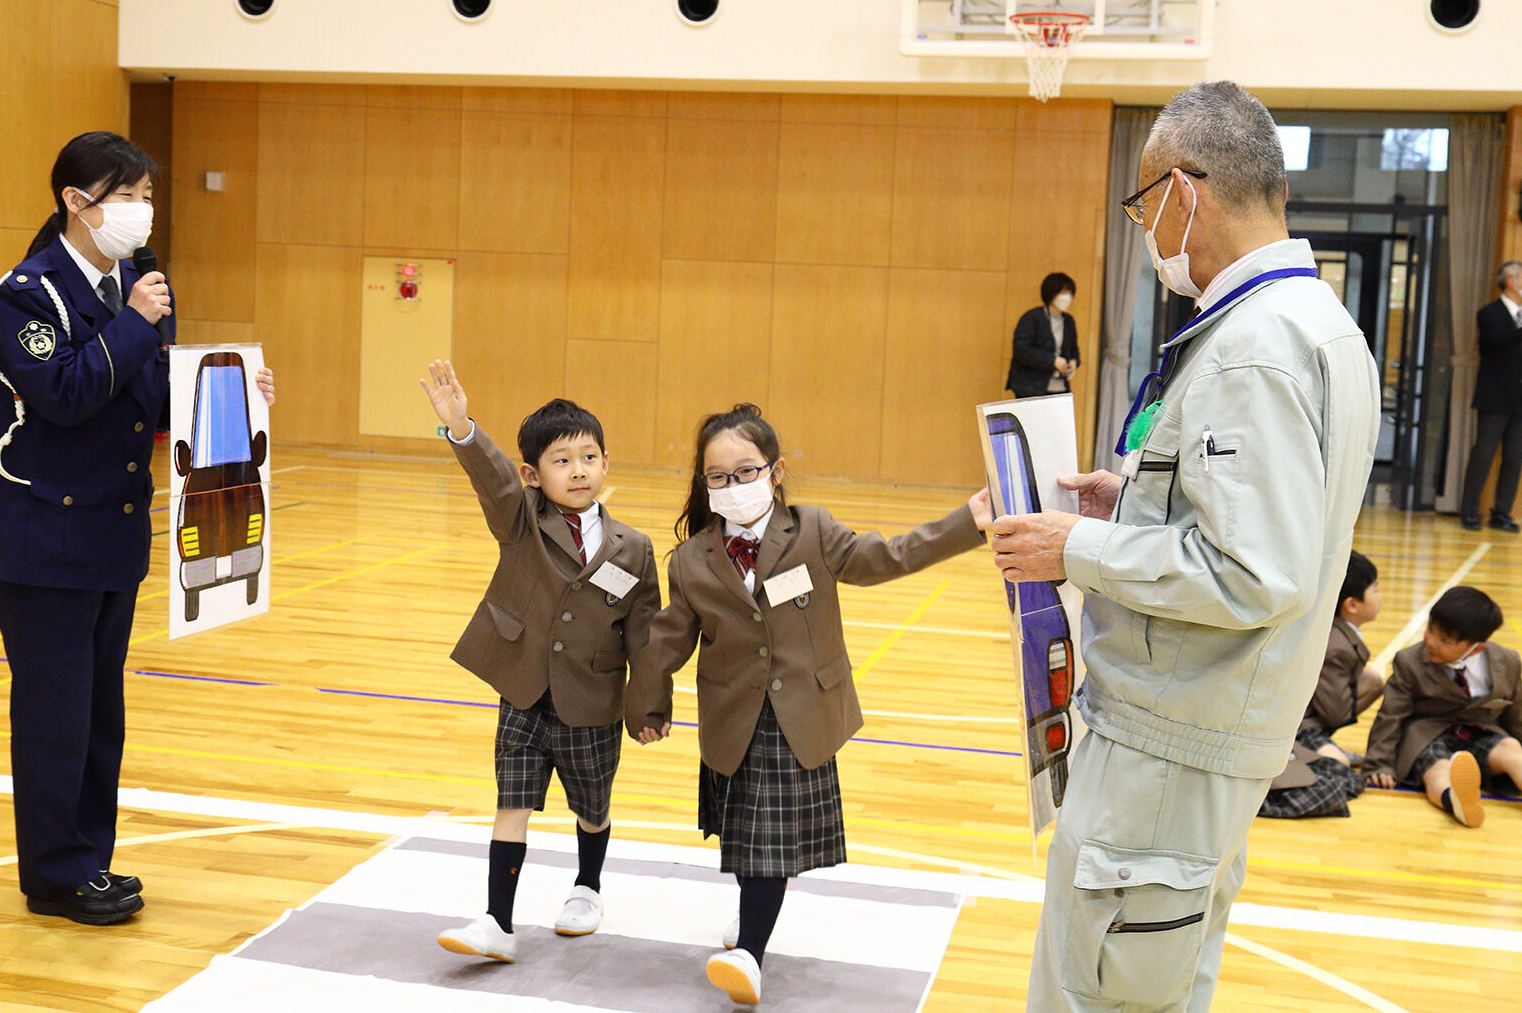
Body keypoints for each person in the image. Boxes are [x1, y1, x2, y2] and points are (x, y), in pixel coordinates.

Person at [989, 81, 1379, 1011]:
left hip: (1171, 745)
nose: (1146, 232)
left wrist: (1076, 546)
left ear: (1183, 194)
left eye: (1143, 205)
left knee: (1097, 996)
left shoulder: (1256, 346)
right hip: (1212, 735)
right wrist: (1129, 499)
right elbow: (1269, 515)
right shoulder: (1318, 325)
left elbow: (1250, 572)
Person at [0, 131, 276, 925]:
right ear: (77, 202)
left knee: (100, 714)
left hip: (110, 534)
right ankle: (54, 875)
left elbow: (153, 400)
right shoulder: (27, 294)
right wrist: (138, 322)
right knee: (54, 714)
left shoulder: (133, 283)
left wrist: (236, 391)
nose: (142, 211)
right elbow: (68, 394)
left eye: (146, 195)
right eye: (127, 195)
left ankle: (88, 861)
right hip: (41, 535)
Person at [624, 404, 993, 1006]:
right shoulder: (691, 560)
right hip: (731, 718)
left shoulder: (813, 529)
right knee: (748, 835)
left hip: (801, 714)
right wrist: (649, 705)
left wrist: (967, 522)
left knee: (766, 838)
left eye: (746, 471)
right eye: (718, 477)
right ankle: (752, 921)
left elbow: (887, 557)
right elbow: (670, 637)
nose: (733, 486)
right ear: (704, 485)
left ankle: (750, 954)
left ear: (776, 470)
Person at [419, 363, 661, 963]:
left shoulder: (634, 547)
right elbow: (494, 481)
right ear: (534, 473)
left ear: (606, 464)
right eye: (561, 459)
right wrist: (462, 429)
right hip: (524, 688)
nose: (578, 469)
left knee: (592, 805)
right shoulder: (521, 518)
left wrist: (650, 700)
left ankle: (588, 886)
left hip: (594, 696)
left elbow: (645, 633)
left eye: (588, 456)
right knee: (512, 800)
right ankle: (498, 921)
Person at [1363, 586, 1522, 829]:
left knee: (1511, 749)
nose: (1431, 642)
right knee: (1438, 769)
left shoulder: (1509, 662)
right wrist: (1379, 763)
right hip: (1427, 735)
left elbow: (1517, 714)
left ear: (1477, 647)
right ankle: (1455, 801)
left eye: (1445, 640)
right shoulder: (1410, 661)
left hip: (1480, 730)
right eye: (1430, 630)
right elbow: (1391, 715)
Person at [1298, 549, 1385, 765]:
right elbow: (1335, 713)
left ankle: (1323, 746)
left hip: (1308, 715)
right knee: (1339, 768)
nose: (1380, 596)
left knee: (1372, 681)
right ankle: (1312, 748)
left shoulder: (1336, 631)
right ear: (1352, 605)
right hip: (1298, 726)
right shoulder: (1337, 648)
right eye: (1375, 589)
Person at [1458, 261, 1522, 532]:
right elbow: (1498, 342)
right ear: (1510, 282)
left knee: (1514, 457)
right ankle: (1470, 511)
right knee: (1483, 454)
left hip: (1520, 399)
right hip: (1495, 396)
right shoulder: (1489, 313)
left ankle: (1502, 512)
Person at [1006, 271, 1081, 399]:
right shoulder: (1032, 318)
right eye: (1063, 292)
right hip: (1030, 387)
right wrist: (1052, 360)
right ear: (1051, 294)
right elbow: (1022, 350)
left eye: (1069, 293)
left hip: (1059, 387)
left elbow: (1073, 349)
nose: (1067, 297)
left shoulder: (1068, 320)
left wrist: (1074, 362)